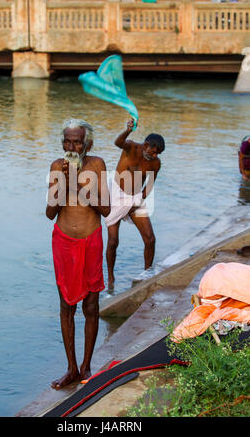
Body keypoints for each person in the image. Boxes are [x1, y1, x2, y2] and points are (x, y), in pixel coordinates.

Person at [46, 118, 110, 389]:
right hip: (64, 242)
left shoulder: (97, 165)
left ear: (88, 144)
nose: (71, 146)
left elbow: (105, 210)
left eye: (77, 141)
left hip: (91, 240)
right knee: (66, 306)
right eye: (67, 141)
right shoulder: (55, 167)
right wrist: (62, 182)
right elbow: (50, 213)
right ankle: (71, 368)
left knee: (91, 306)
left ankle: (86, 367)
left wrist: (79, 184)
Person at [105, 119, 165, 289]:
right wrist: (127, 130)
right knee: (113, 241)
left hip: (136, 198)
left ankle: (147, 274)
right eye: (153, 151)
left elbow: (149, 186)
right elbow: (118, 142)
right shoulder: (131, 147)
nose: (155, 156)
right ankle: (111, 278)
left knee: (150, 239)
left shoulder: (156, 163)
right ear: (146, 145)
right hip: (116, 195)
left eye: (158, 154)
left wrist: (138, 201)